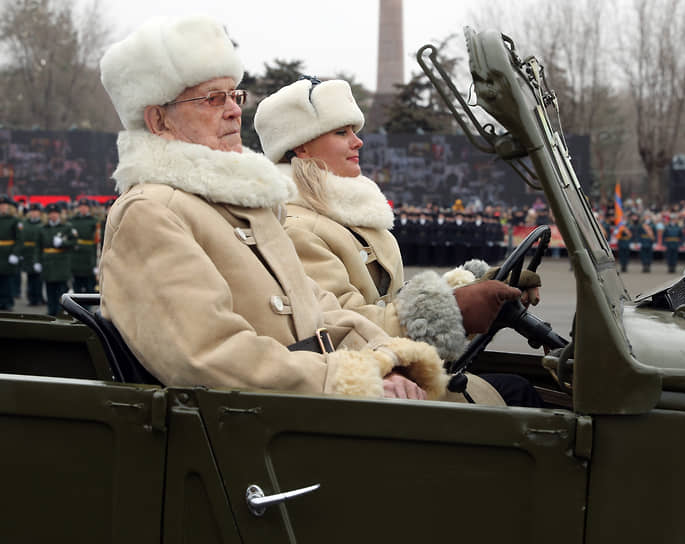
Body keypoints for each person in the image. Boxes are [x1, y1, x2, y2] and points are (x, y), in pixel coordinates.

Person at [97, 15, 469, 401]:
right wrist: (351, 380)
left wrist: (387, 358)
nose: (234, 110)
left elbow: (319, 311)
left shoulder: (243, 207)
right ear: (158, 119)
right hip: (267, 433)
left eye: (234, 96)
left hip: (299, 414)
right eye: (212, 98)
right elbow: (208, 355)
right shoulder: (151, 212)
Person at [254, 78, 544, 407]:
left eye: (354, 130)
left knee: (520, 386)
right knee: (520, 392)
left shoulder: (344, 218)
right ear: (301, 146)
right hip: (370, 387)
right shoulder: (298, 229)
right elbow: (339, 326)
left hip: (394, 372)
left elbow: (393, 299)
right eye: (341, 132)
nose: (358, 141)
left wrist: (477, 285)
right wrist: (454, 308)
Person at [37, 203, 76, 316]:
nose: (53, 215)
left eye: (55, 213)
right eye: (51, 213)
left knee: (61, 290)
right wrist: (37, 261)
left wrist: (63, 243)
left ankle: (60, 312)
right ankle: (51, 312)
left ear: (59, 214)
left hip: (61, 264)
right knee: (49, 289)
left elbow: (74, 243)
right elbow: (38, 247)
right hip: (48, 263)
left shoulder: (67, 227)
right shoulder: (42, 228)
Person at [70, 198, 100, 293]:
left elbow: (97, 242)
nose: (83, 209)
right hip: (76, 255)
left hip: (89, 255)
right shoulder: (73, 220)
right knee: (77, 284)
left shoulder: (94, 221)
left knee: (89, 285)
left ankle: (88, 307)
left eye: (85, 207)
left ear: (89, 208)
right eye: (81, 207)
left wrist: (97, 264)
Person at [0, 194, 23, 311]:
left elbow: (19, 239)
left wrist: (15, 253)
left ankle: (8, 302)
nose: (2, 207)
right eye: (1, 205)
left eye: (4, 205)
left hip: (8, 253)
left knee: (8, 280)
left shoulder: (14, 220)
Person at [21, 202, 45, 306]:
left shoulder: (43, 224)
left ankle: (39, 297)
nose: (33, 214)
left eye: (36, 211)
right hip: (27, 253)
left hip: (39, 253)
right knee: (30, 277)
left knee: (39, 278)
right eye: (32, 211)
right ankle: (31, 298)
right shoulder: (24, 223)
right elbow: (21, 238)